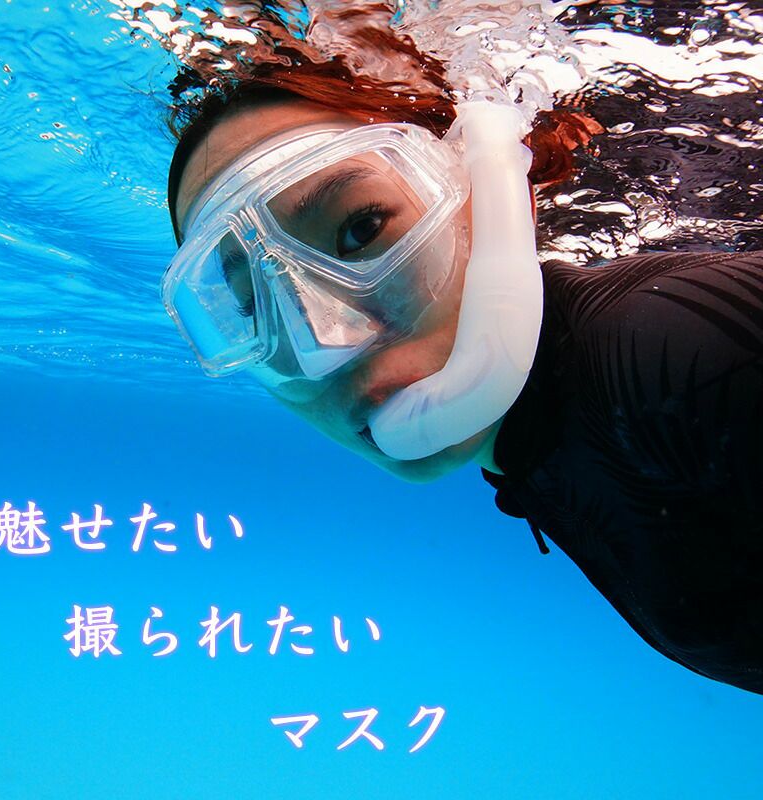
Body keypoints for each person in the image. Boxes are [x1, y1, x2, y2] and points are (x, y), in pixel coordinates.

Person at [162, 17, 763, 694]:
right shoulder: (548, 435)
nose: (325, 345)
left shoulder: (684, 357)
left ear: (496, 197)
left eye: (362, 229)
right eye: (253, 305)